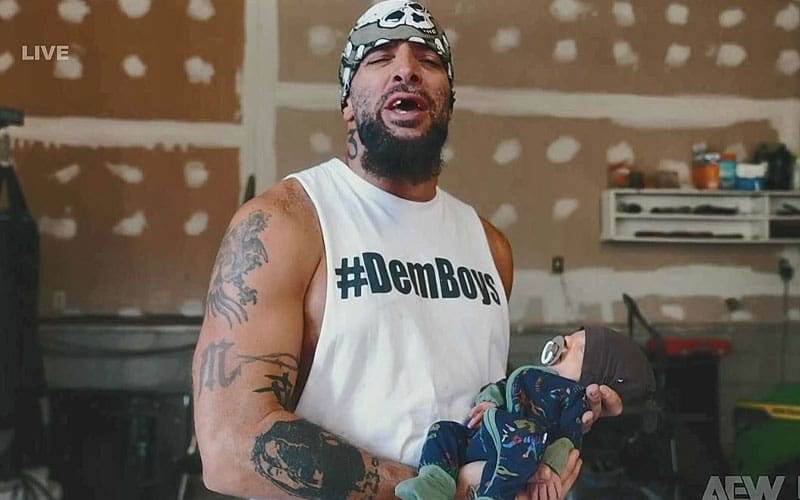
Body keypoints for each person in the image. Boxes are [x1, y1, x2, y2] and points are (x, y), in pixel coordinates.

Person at [192, 1, 622, 499]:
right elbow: (230, 447)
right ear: (348, 101)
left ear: (448, 101)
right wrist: (442, 491)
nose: (406, 70)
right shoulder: (285, 224)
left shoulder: (490, 246)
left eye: (428, 59)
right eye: (379, 58)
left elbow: (471, 411)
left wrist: (559, 404)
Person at [396, 326, 655, 500]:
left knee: (524, 439)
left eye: (581, 348)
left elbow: (568, 440)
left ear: (593, 378)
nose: (565, 342)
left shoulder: (573, 398)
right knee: (444, 431)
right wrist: (489, 402)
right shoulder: (530, 373)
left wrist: (550, 468)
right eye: (570, 337)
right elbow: (502, 386)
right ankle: (434, 483)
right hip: (485, 435)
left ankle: (493, 495)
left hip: (522, 448)